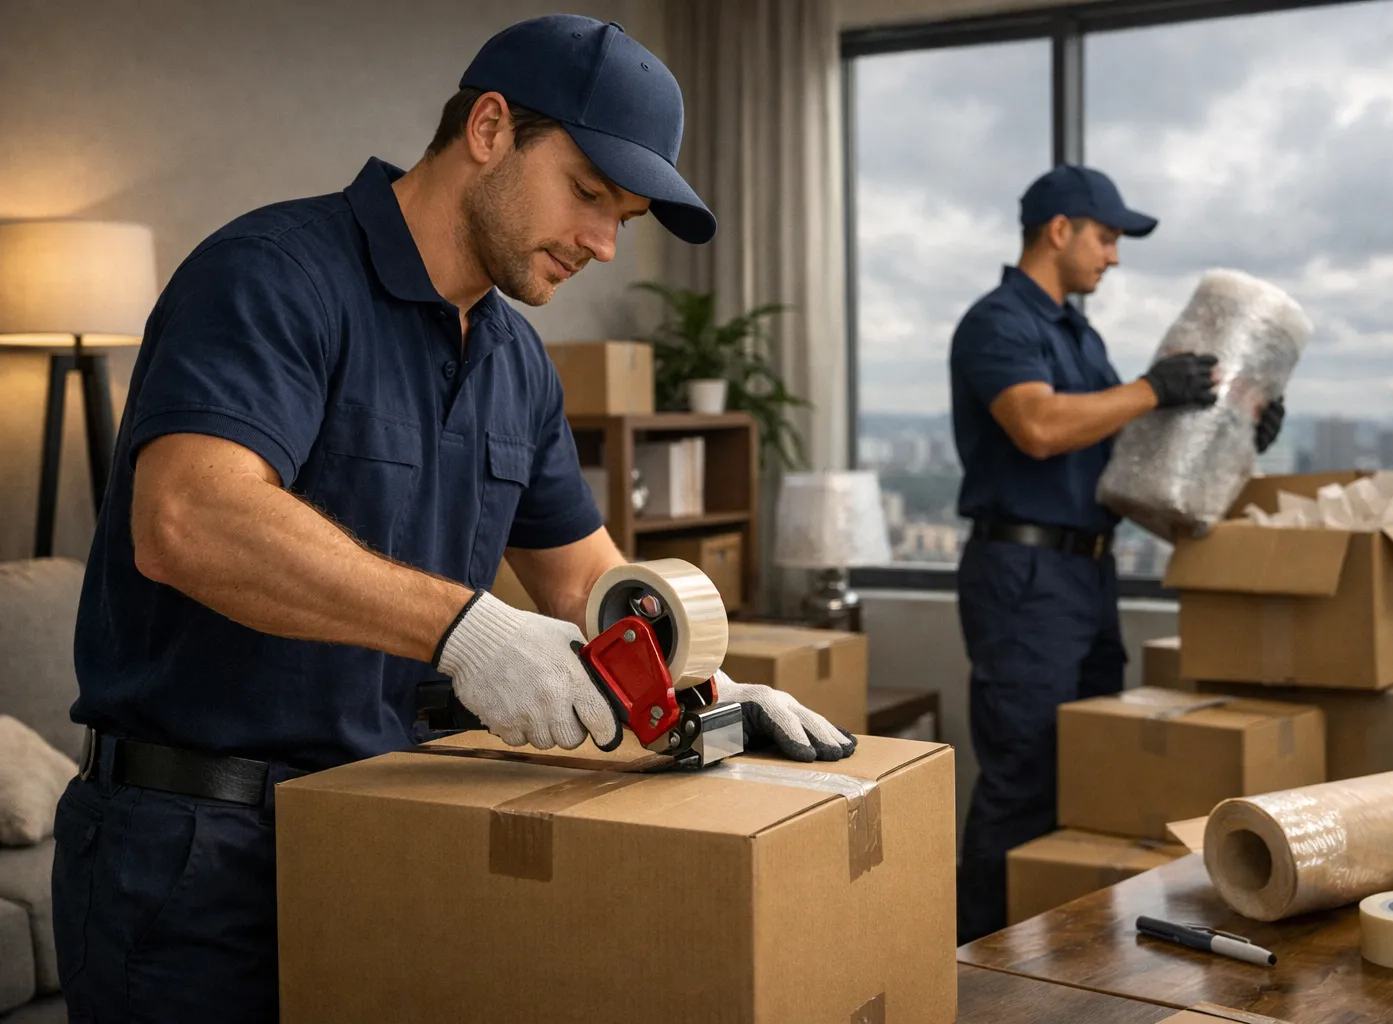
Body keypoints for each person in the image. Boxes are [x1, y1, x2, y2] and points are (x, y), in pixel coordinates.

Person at [53, 15, 852, 1021]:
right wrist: (465, 627)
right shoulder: (272, 274)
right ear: (487, 128)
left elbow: (584, 581)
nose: (605, 244)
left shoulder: (515, 363)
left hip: (379, 832)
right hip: (189, 852)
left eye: (626, 218)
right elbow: (188, 519)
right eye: (590, 195)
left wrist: (706, 689)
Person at [948, 164, 1285, 944]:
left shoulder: (1079, 333)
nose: (1114, 255)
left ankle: (1062, 960)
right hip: (1024, 577)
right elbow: (1038, 426)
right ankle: (972, 969)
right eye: (1105, 237)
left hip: (1087, 575)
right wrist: (1150, 387)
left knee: (1090, 771)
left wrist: (1237, 432)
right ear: (1058, 230)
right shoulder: (998, 323)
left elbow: (1128, 454)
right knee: (1024, 780)